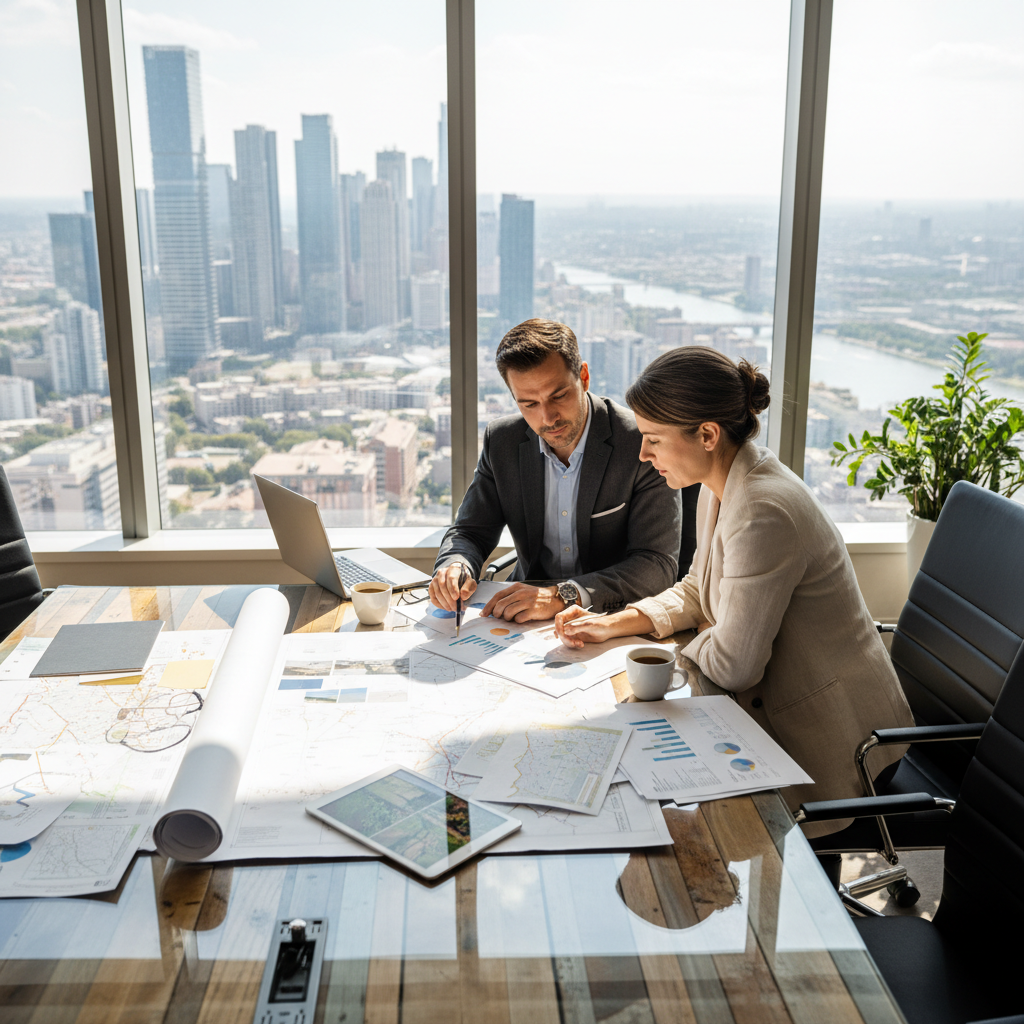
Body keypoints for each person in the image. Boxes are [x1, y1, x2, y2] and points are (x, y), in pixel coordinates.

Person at [554, 346, 913, 833]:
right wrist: (617, 623)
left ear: (706, 435)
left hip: (836, 739)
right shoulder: (720, 483)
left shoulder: (765, 510)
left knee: (690, 825)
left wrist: (698, 636)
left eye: (654, 439)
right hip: (776, 709)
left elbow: (736, 666)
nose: (642, 454)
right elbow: (699, 590)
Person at [431, 318, 682, 621]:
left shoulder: (639, 443)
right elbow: (471, 531)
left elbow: (657, 564)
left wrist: (563, 595)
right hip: (521, 616)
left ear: (584, 377)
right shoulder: (502, 442)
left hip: (612, 616)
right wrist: (455, 565)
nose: (547, 417)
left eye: (558, 396)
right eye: (528, 404)